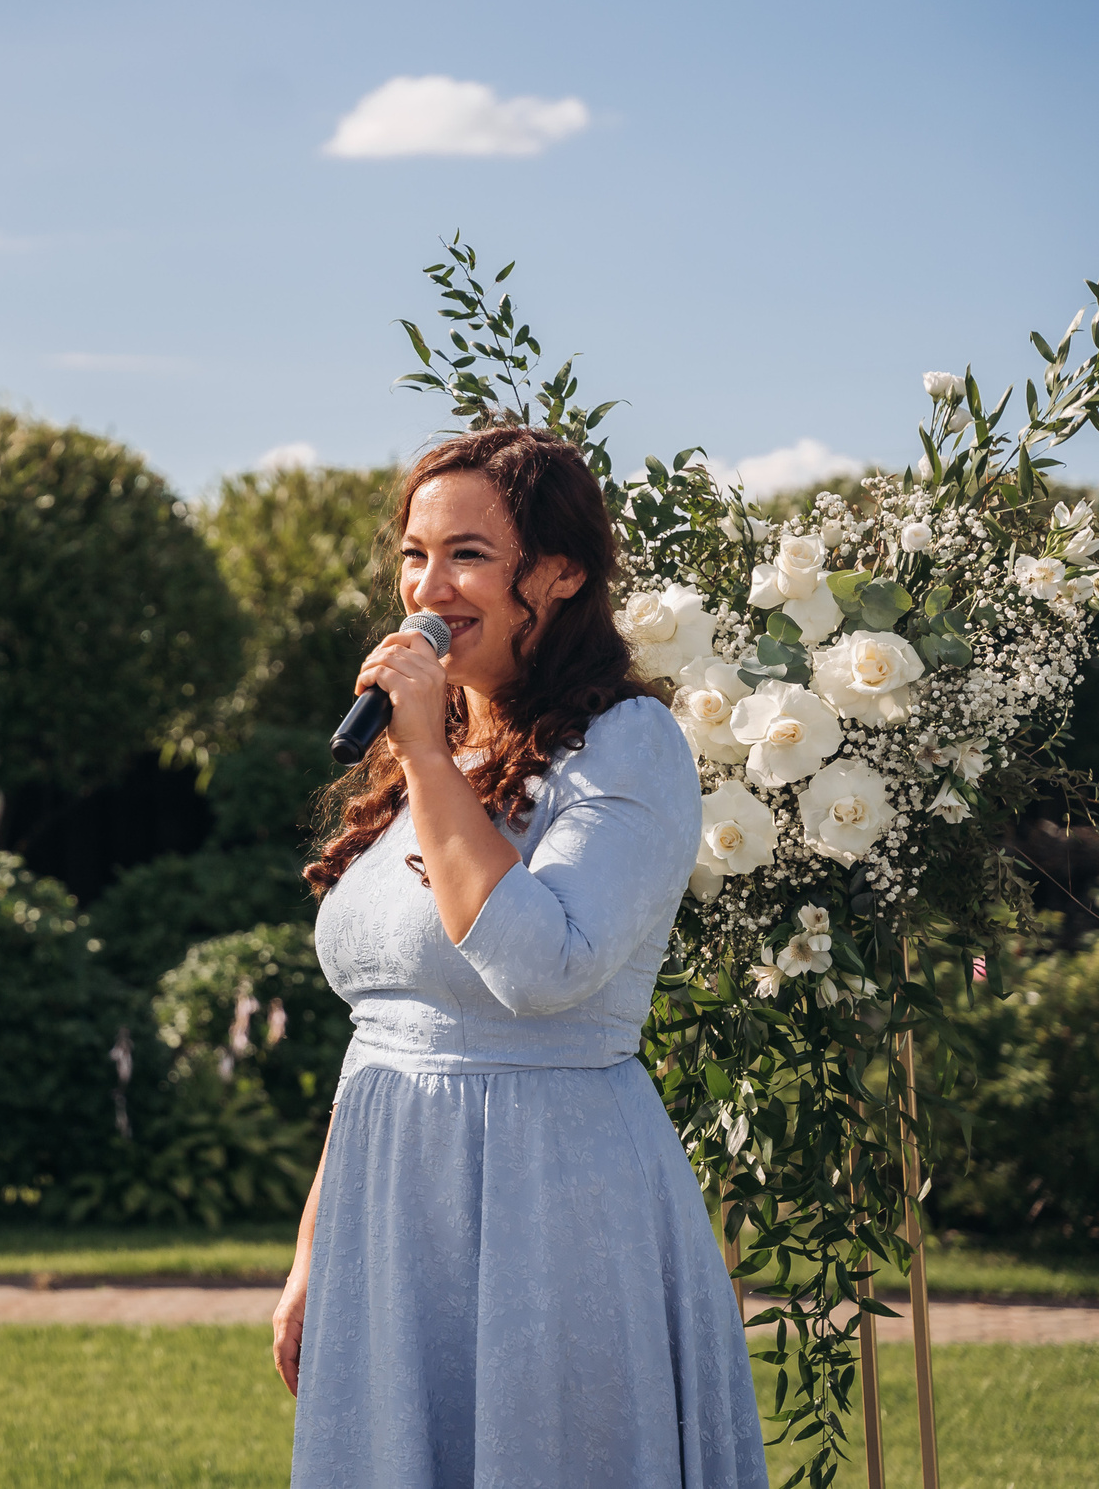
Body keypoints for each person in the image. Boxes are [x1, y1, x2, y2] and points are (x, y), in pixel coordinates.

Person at [273, 425, 766, 1488]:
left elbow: (542, 969)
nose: (426, 586)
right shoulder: (435, 753)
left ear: (559, 572)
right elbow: (383, 1031)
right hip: (389, 1208)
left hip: (550, 1199)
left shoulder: (626, 743)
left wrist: (422, 759)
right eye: (413, 553)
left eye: (465, 555)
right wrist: (319, 1246)